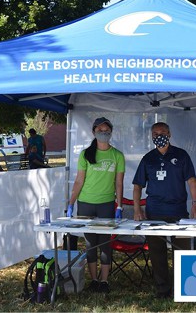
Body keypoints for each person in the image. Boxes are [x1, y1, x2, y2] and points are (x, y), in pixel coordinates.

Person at [132, 122, 196, 297]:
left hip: (179, 213)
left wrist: (195, 204)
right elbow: (137, 186)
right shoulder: (148, 158)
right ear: (151, 136)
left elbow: (192, 181)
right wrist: (136, 209)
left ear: (169, 134)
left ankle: (183, 288)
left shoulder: (181, 155)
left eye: (162, 132)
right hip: (154, 212)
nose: (159, 135)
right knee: (157, 252)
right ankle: (162, 289)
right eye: (155, 133)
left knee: (182, 251)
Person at [67, 117, 125, 293]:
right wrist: (71, 203)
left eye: (107, 130)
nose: (103, 133)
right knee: (90, 244)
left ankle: (104, 281)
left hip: (106, 204)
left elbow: (119, 184)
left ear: (111, 132)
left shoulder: (117, 155)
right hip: (85, 204)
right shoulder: (86, 154)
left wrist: (120, 206)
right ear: (93, 132)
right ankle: (93, 280)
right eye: (100, 130)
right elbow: (79, 180)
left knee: (105, 243)